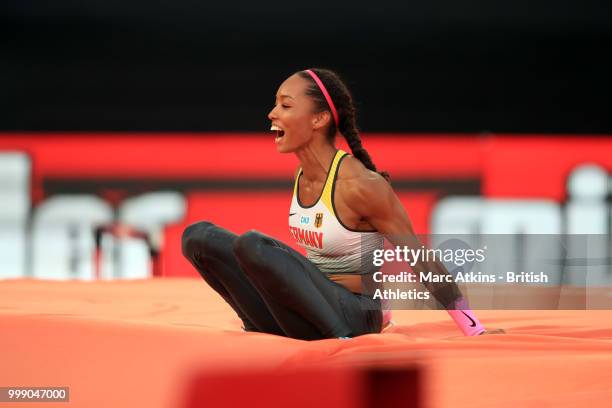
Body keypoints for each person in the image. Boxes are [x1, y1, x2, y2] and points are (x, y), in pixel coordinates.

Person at [182, 68, 503, 340]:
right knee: (197, 237)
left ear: (319, 119)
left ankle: (341, 342)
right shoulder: (303, 175)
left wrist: (473, 327)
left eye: (285, 105)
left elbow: (422, 261)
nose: (272, 114)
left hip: (354, 317)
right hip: (302, 315)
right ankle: (255, 323)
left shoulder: (360, 186)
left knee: (254, 246)